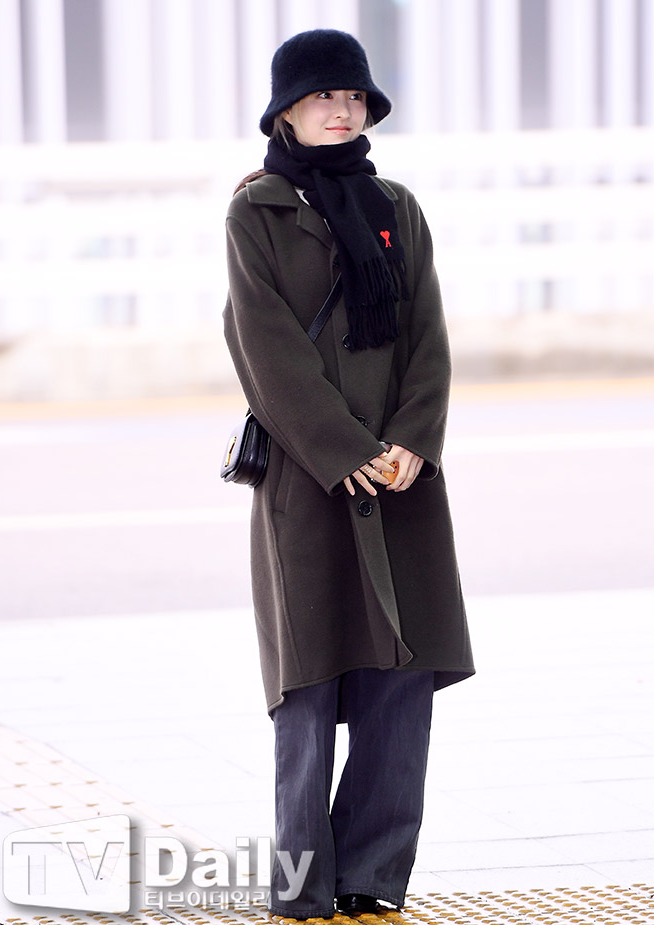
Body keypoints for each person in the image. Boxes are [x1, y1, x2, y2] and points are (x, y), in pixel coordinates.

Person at [223, 29, 474, 921]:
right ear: (286, 110)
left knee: (401, 679)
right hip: (311, 477)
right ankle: (304, 887)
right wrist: (343, 450)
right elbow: (265, 350)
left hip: (401, 479)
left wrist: (412, 440)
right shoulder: (257, 211)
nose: (342, 110)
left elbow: (428, 336)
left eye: (355, 96)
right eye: (325, 96)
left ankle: (373, 875)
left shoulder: (396, 207)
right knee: (309, 676)